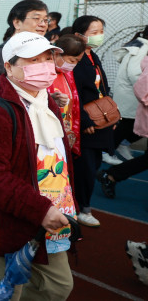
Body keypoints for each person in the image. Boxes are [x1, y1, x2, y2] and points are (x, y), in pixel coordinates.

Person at [0, 31, 75, 301]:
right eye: (32, 60)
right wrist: (40, 209)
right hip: (10, 224)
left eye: (47, 58)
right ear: (9, 67)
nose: (44, 65)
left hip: (51, 220)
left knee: (57, 287)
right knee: (3, 294)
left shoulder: (47, 103)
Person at [71, 15, 114, 227]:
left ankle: (80, 205)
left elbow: (101, 88)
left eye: (101, 31)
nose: (99, 36)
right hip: (86, 122)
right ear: (79, 35)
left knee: (94, 163)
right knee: (85, 168)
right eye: (94, 32)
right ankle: (82, 208)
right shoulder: (75, 59)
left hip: (100, 119)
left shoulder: (93, 56)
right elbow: (74, 93)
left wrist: (111, 114)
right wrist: (84, 120)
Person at [0, 0, 50, 105]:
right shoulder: (1, 54)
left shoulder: (39, 52)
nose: (43, 24)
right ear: (17, 23)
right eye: (36, 19)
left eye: (46, 20)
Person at [98, 55, 148, 198]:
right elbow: (141, 87)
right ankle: (111, 172)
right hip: (129, 104)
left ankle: (112, 175)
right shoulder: (140, 52)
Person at [104, 26, 148, 165]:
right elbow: (134, 73)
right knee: (128, 125)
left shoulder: (139, 44)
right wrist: (144, 88)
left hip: (128, 92)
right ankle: (106, 151)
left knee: (129, 125)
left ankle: (121, 144)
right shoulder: (144, 48)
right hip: (132, 94)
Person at [48, 35, 86, 158]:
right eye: (71, 60)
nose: (73, 65)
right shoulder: (45, 74)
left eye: (77, 62)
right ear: (56, 54)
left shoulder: (67, 75)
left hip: (65, 130)